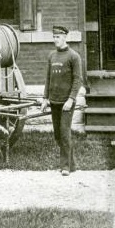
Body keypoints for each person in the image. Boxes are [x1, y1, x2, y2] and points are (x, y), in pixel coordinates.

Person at [43, 25, 84, 176]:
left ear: (65, 37)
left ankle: (65, 167)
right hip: (54, 101)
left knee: (65, 134)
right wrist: (44, 98)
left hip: (67, 103)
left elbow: (78, 80)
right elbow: (48, 78)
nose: (56, 40)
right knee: (58, 135)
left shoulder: (74, 56)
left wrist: (71, 99)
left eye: (58, 37)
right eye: (54, 37)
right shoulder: (51, 56)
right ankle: (72, 164)